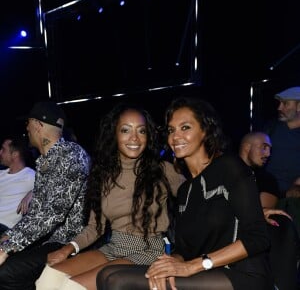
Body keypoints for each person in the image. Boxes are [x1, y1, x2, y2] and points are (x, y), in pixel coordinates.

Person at [96, 97, 274, 290]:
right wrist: (168, 264)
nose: (175, 137)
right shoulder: (184, 191)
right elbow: (183, 250)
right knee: (106, 275)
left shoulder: (228, 167)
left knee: (117, 281)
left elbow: (258, 238)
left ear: (205, 130)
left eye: (185, 127)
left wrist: (192, 266)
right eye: (171, 130)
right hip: (204, 272)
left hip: (241, 274)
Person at [35, 103, 185, 290]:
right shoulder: (103, 175)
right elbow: (94, 227)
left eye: (142, 131)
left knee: (71, 288)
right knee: (47, 280)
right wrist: (67, 249)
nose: (134, 138)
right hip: (114, 246)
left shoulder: (162, 170)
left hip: (148, 250)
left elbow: (194, 201)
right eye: (125, 130)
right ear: (114, 134)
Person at [0, 101, 91, 290]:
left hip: (66, 241)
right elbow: (36, 215)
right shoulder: (45, 162)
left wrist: (8, 247)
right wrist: (7, 237)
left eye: (28, 123)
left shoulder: (72, 156)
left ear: (38, 125)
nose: (26, 128)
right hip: (45, 239)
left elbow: (52, 214)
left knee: (5, 272)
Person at [239, 131, 299, 290]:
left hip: (251, 228)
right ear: (247, 147)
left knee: (279, 224)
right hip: (218, 226)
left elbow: (265, 209)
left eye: (270, 149)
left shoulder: (266, 178)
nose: (268, 153)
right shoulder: (223, 169)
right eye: (264, 147)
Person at [263, 86, 300, 236]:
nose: (280, 107)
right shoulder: (271, 127)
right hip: (267, 192)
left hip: (293, 197)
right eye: (279, 103)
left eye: (285, 103)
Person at [0, 137, 36, 234]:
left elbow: (49, 188)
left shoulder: (29, 175)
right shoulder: (1, 173)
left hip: (5, 227)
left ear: (15, 154)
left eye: (3, 149)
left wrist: (32, 193)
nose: (0, 152)